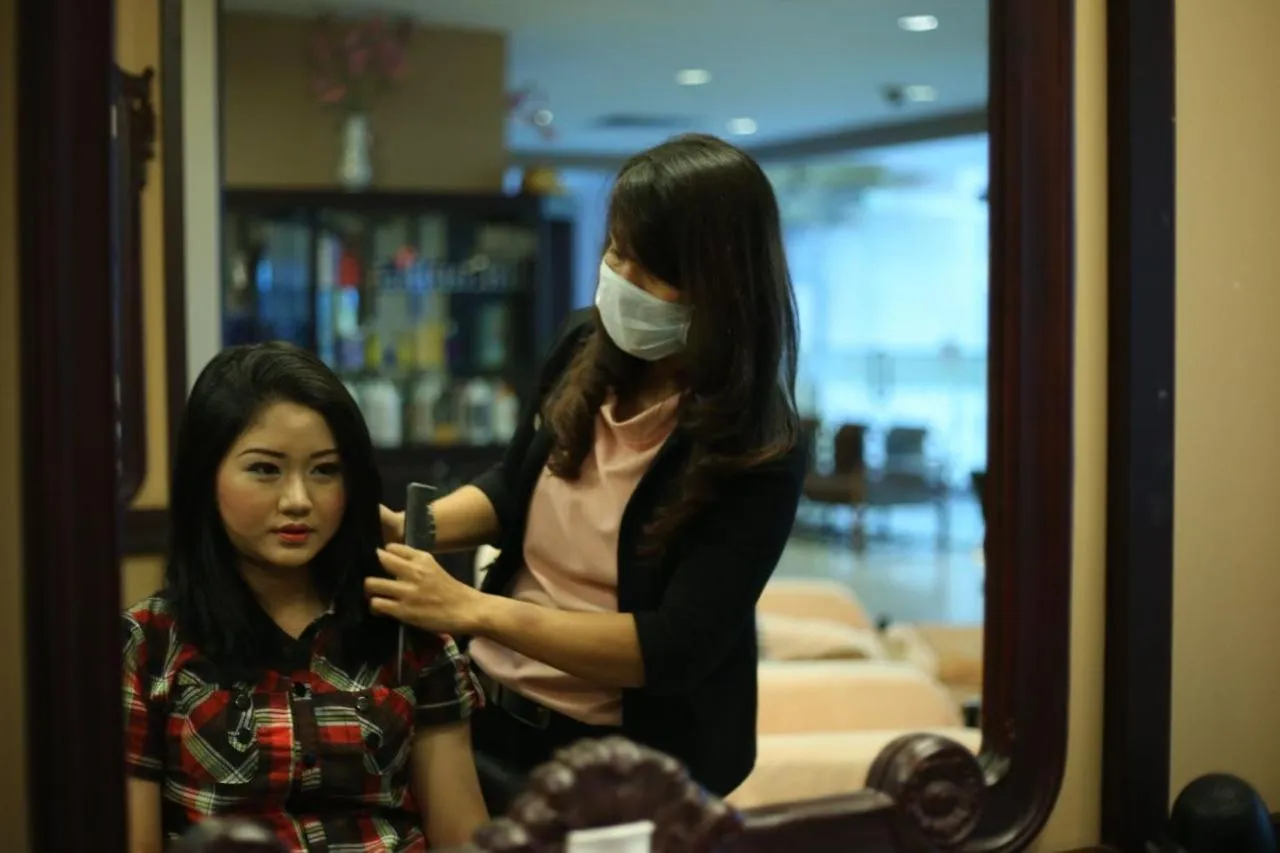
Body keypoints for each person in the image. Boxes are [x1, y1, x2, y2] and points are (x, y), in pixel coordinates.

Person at [368, 133, 806, 810]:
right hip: (486, 704)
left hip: (623, 763)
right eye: (615, 252)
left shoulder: (759, 445)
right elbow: (515, 485)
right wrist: (410, 528)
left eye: (650, 269)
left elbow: (670, 648)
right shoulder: (585, 344)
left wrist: (473, 608)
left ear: (721, 285)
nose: (620, 280)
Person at [122, 343, 488, 853]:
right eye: (265, 470)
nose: (298, 500)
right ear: (207, 478)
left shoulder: (406, 628)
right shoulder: (149, 644)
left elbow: (462, 838)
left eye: (324, 470)